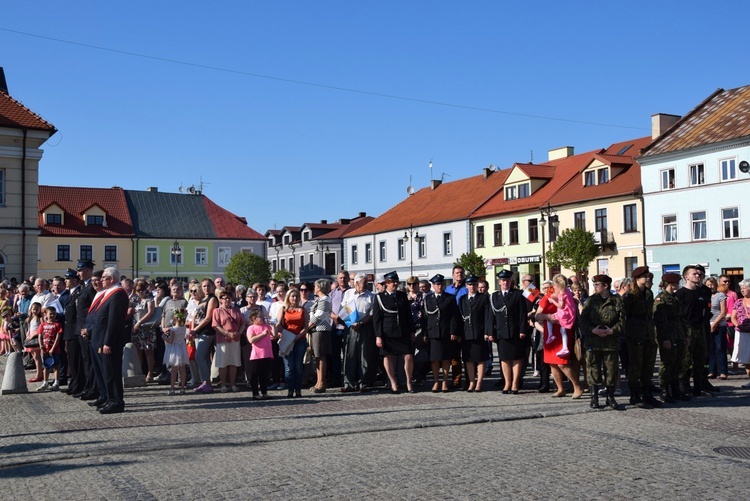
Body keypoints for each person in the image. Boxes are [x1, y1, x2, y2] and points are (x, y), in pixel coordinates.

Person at [535, 274, 583, 399]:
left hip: (564, 331)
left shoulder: (566, 293)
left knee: (562, 363)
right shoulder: (549, 294)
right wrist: (547, 317)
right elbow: (537, 315)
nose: (553, 287)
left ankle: (577, 386)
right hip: (550, 333)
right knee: (552, 363)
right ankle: (560, 389)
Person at [580, 274, 623, 410]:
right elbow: (583, 320)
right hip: (594, 341)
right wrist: (593, 330)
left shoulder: (617, 300)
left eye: (597, 285)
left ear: (605, 286)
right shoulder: (591, 301)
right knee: (593, 368)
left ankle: (610, 397)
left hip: (611, 342)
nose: (594, 287)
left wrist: (612, 330)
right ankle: (594, 398)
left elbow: (623, 320)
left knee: (611, 370)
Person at [92, 268, 130, 414]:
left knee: (112, 372)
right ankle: (110, 399)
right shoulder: (110, 292)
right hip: (102, 338)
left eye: (104, 278)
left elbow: (114, 320)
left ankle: (116, 401)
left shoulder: (118, 294)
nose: (101, 280)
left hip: (110, 340)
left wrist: (108, 341)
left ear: (112, 279)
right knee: (107, 372)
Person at [622, 266, 661, 408]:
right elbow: (625, 316)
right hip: (635, 333)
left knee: (648, 364)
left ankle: (647, 394)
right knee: (635, 364)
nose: (649, 278)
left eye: (649, 276)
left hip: (649, 332)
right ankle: (635, 395)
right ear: (637, 279)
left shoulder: (649, 293)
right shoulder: (630, 295)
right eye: (646, 277)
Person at [373, 271, 415, 393]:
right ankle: (393, 383)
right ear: (387, 283)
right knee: (388, 357)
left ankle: (408, 382)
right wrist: (378, 336)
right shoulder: (380, 297)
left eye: (396, 282)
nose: (395, 284)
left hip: (403, 331)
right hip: (388, 332)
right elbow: (377, 319)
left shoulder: (402, 296)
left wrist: (412, 331)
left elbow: (408, 315)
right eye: (392, 282)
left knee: (408, 356)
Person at [489, 270, 528, 394]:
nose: (505, 282)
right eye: (503, 280)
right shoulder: (494, 296)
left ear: (511, 281)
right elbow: (491, 316)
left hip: (515, 331)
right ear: (499, 282)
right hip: (501, 332)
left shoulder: (518, 294)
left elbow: (522, 313)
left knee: (516, 358)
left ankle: (515, 383)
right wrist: (490, 332)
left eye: (508, 280)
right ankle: (507, 382)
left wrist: (522, 330)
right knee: (504, 359)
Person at [676, 265, 711, 397]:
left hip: (700, 328)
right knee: (685, 359)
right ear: (687, 277)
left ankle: (698, 386)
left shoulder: (700, 293)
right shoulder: (681, 294)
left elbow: (704, 310)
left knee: (700, 358)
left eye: (699, 274)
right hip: (687, 328)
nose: (698, 276)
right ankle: (683, 386)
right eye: (694, 274)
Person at [421, 274, 460, 392]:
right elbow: (425, 317)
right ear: (433, 286)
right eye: (437, 284)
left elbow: (454, 316)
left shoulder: (450, 298)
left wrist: (453, 331)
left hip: (445, 332)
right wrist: (424, 333)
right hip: (433, 333)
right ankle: (436, 381)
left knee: (446, 358)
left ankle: (444, 381)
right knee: (435, 358)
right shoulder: (428, 298)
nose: (440, 286)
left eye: (441, 284)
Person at [653, 273, 687, 403]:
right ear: (671, 284)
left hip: (678, 334)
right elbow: (660, 322)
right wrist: (665, 339)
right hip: (667, 335)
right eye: (676, 283)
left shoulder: (674, 298)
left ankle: (675, 389)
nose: (677, 285)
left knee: (677, 363)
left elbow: (680, 319)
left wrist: (684, 336)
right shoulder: (661, 299)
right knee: (667, 363)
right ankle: (664, 390)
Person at [341, 274, 376, 393]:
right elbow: (345, 307)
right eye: (363, 284)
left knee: (364, 356)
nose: (365, 286)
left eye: (366, 284)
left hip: (365, 327)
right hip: (351, 327)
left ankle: (363, 382)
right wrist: (353, 322)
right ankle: (348, 383)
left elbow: (371, 314)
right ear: (356, 284)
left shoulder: (371, 296)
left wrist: (360, 322)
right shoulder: (348, 294)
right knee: (349, 355)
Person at [212, 287, 246, 393]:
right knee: (223, 363)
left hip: (235, 339)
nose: (226, 300)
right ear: (220, 300)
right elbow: (215, 325)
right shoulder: (217, 311)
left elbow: (242, 323)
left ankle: (232, 384)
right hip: (223, 339)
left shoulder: (236, 310)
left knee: (233, 362)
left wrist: (239, 333)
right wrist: (227, 333)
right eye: (224, 298)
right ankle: (223, 384)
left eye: (228, 298)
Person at [276, 287, 308, 398]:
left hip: (300, 340)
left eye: (296, 296)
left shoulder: (303, 310)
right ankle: (290, 389)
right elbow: (278, 324)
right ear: (288, 297)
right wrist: (287, 335)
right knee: (289, 366)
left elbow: (306, 326)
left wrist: (297, 336)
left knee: (298, 365)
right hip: (287, 339)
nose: (294, 298)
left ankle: (298, 389)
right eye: (292, 296)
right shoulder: (284, 309)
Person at [190, 279, 217, 393]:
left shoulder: (212, 299)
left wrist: (195, 329)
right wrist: (192, 329)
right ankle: (205, 382)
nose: (206, 288)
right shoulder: (202, 299)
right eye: (204, 286)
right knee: (204, 358)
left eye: (208, 286)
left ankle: (207, 382)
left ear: (212, 287)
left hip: (206, 331)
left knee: (199, 356)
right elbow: (196, 315)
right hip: (198, 331)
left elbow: (208, 318)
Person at [308, 278, 333, 393]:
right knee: (317, 356)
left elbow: (319, 315)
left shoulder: (325, 300)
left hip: (321, 330)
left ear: (320, 287)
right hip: (316, 330)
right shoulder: (320, 300)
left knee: (321, 356)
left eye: (315, 286)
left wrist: (307, 326)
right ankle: (318, 381)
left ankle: (322, 382)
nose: (314, 288)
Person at [445, 265, 467, 387]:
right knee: (454, 356)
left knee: (468, 355)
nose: (459, 274)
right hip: (453, 325)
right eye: (457, 273)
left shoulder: (468, 287)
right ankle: (456, 380)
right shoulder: (448, 289)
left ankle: (470, 379)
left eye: (461, 272)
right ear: (453, 275)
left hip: (465, 324)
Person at [132, 280, 157, 383]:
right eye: (138, 290)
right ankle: (140, 372)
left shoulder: (149, 300)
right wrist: (133, 294)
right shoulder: (135, 300)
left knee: (148, 351)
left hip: (147, 328)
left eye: (142, 289)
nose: (141, 292)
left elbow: (151, 312)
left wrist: (140, 322)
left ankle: (150, 373)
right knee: (138, 351)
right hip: (137, 329)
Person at [329, 271, 351, 389]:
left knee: (348, 355)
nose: (342, 280)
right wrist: (334, 316)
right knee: (335, 356)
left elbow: (353, 307)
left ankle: (348, 379)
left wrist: (343, 317)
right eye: (340, 278)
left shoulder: (352, 292)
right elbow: (328, 308)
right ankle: (336, 378)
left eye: (344, 278)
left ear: (348, 279)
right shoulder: (332, 293)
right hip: (335, 328)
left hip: (347, 327)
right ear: (338, 279)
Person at [247, 309, 275, 400]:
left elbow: (274, 335)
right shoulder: (251, 328)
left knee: (265, 374)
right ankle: (255, 393)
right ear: (254, 318)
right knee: (255, 375)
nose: (262, 318)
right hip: (257, 355)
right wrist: (262, 334)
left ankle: (264, 392)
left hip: (267, 354)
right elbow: (251, 340)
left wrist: (273, 325)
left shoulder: (266, 326)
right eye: (260, 317)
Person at [36, 306, 63, 391]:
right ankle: (45, 382)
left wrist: (53, 348)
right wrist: (41, 346)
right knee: (46, 366)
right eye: (50, 314)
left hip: (54, 349)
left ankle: (56, 382)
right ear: (46, 315)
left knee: (56, 366)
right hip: (45, 349)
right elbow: (40, 336)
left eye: (54, 314)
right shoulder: (42, 325)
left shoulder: (57, 325)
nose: (52, 315)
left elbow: (58, 337)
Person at [706, 276, 728, 380]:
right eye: (708, 285)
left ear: (716, 285)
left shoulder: (720, 295)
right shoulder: (705, 295)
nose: (710, 286)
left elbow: (723, 312)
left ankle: (722, 371)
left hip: (719, 325)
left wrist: (714, 324)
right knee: (710, 348)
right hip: (708, 324)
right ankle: (711, 371)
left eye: (712, 284)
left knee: (720, 347)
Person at [163, 309, 189, 395]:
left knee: (174, 370)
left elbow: (171, 340)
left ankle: (172, 388)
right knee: (182, 369)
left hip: (174, 349)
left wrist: (164, 337)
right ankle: (182, 388)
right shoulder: (184, 328)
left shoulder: (173, 329)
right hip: (182, 347)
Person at [730, 278, 750, 388]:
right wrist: (738, 326)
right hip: (742, 332)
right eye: (741, 288)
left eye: (744, 288)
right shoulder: (738, 302)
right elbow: (733, 317)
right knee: (745, 358)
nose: (742, 290)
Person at [24, 302, 44, 383]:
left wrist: (34, 335)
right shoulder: (31, 318)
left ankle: (39, 375)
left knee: (37, 357)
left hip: (36, 337)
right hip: (30, 338)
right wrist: (28, 334)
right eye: (33, 309)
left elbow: (42, 328)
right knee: (34, 357)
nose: (34, 311)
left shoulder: (40, 318)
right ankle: (38, 372)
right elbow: (29, 328)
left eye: (36, 309)